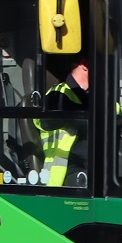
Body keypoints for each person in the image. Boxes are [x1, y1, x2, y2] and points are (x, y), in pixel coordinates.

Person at [35, 58, 89, 189]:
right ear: (84, 65)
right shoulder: (58, 95)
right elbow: (50, 121)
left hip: (103, 167)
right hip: (67, 170)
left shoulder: (101, 97)